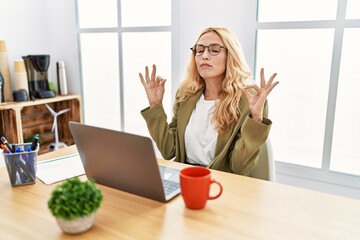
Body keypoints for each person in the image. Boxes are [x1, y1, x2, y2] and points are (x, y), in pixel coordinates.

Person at [139, 27, 279, 176]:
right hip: (184, 178)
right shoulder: (186, 94)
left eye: (214, 49)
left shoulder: (248, 99)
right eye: (199, 50)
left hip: (222, 183)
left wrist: (256, 118)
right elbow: (169, 151)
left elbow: (238, 166)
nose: (204, 55)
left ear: (230, 55)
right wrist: (155, 105)